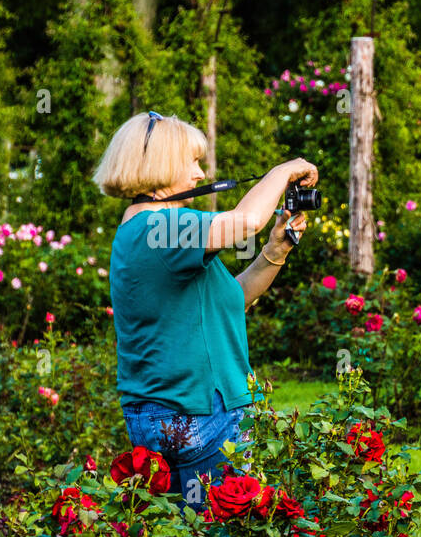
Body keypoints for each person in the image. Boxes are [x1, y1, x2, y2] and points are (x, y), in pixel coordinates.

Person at [91, 110, 317, 510]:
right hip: (198, 412)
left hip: (169, 412)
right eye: (191, 162)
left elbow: (234, 298)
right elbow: (245, 220)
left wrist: (275, 251)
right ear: (162, 166)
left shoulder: (149, 234)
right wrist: (284, 170)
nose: (199, 174)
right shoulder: (160, 229)